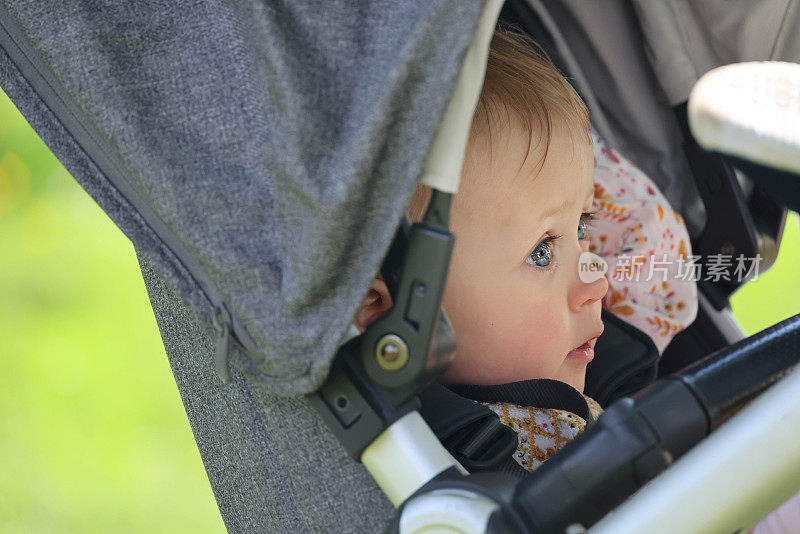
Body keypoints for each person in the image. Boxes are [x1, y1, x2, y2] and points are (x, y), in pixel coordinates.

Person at [353, 25, 697, 470]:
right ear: (383, 309)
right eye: (542, 251)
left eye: (581, 226)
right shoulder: (512, 457)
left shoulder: (552, 411)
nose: (598, 281)